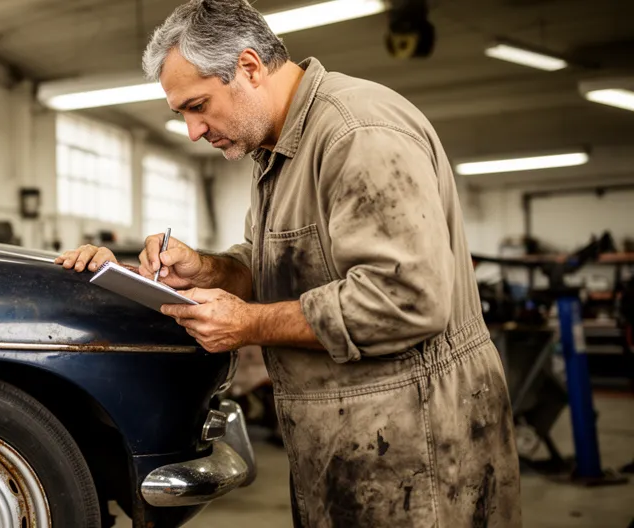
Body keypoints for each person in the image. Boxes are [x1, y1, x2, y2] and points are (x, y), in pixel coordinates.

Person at [55, 0, 521, 526]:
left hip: (420, 444)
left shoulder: (356, 133)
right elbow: (273, 263)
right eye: (182, 113)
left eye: (199, 105)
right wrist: (204, 269)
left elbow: (405, 298)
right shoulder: (275, 150)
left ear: (250, 68)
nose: (192, 130)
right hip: (351, 441)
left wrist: (247, 323)